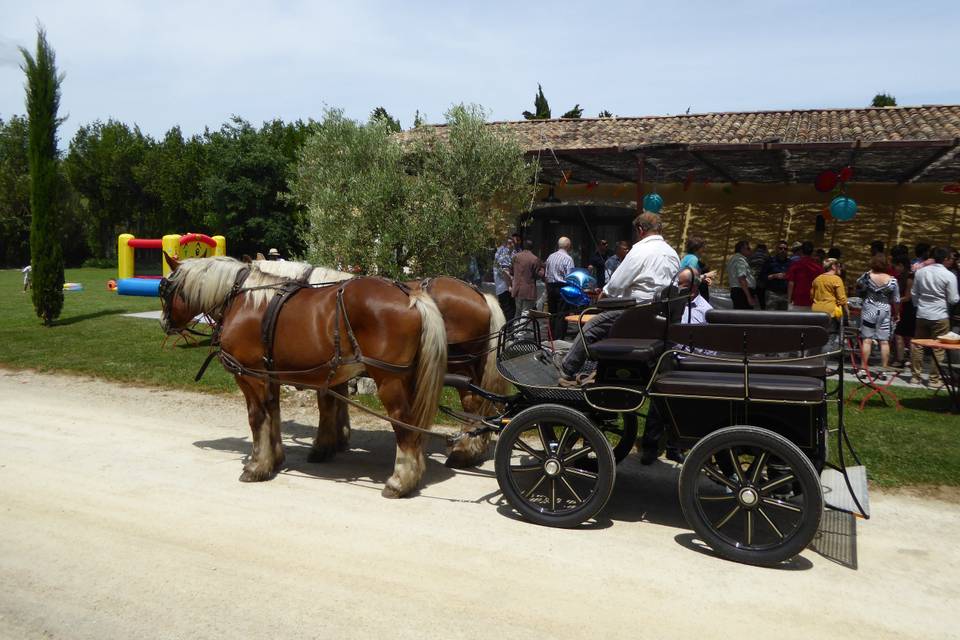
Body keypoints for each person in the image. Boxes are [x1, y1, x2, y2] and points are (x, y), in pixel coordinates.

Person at [557, 212, 679, 385]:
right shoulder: (671, 252)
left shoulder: (641, 250)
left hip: (637, 313)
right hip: (660, 315)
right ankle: (597, 369)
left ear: (640, 229)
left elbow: (615, 284)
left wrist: (602, 297)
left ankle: (567, 368)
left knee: (592, 325)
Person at [639, 267, 708, 465]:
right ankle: (650, 448)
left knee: (681, 409)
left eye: (682, 285)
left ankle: (674, 447)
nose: (677, 288)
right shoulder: (671, 304)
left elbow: (708, 345)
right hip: (668, 360)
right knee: (658, 405)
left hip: (689, 364)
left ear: (693, 287)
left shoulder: (705, 310)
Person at [910, 247, 960, 388]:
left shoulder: (921, 272)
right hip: (940, 314)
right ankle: (934, 379)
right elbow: (953, 298)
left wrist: (918, 306)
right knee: (938, 348)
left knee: (918, 345)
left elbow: (914, 293)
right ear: (945, 259)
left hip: (922, 312)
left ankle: (915, 377)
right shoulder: (949, 275)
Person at [856, 255, 900, 379]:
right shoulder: (892, 281)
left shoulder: (867, 277)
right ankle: (883, 370)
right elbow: (896, 300)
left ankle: (863, 369)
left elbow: (858, 283)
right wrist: (896, 313)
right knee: (884, 341)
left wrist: (868, 272)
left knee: (867, 340)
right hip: (885, 310)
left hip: (869, 309)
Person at [544, 236, 575, 339]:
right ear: (568, 246)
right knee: (561, 314)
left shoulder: (550, 256)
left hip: (550, 286)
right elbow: (570, 277)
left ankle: (551, 337)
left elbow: (546, 274)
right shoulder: (568, 259)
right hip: (562, 287)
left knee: (552, 313)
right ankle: (559, 339)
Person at [892, 256, 916, 369]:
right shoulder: (901, 277)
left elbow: (908, 297)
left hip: (910, 309)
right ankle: (903, 359)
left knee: (906, 335)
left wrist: (895, 299)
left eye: (896, 266)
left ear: (901, 265)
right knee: (901, 334)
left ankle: (908, 360)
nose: (895, 268)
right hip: (904, 309)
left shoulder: (909, 278)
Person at [511, 239, 542, 322]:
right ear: (532, 248)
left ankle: (516, 331)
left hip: (517, 289)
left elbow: (511, 271)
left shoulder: (516, 257)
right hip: (528, 290)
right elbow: (537, 275)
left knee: (517, 312)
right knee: (525, 312)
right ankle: (521, 333)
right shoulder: (534, 259)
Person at [786, 241, 821, 311]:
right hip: (812, 301)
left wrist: (789, 300)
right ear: (812, 252)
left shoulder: (795, 265)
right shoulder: (819, 267)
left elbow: (791, 283)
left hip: (797, 300)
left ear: (801, 251)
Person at [761, 240, 791, 311]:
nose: (783, 250)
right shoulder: (769, 261)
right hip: (772, 293)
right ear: (776, 249)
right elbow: (762, 277)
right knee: (770, 317)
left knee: (784, 318)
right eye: (780, 248)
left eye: (785, 249)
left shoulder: (790, 263)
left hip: (785, 294)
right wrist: (774, 276)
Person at [726, 240, 757, 309]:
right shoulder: (740, 260)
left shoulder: (733, 259)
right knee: (744, 317)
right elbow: (742, 278)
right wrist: (748, 297)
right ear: (742, 249)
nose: (750, 251)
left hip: (739, 291)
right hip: (742, 292)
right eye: (748, 248)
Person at [493, 236, 516, 320]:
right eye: (510, 243)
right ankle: (508, 331)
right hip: (505, 287)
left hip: (501, 286)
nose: (513, 245)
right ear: (506, 243)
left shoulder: (501, 251)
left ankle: (505, 330)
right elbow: (505, 270)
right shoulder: (504, 252)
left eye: (513, 242)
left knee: (506, 310)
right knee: (509, 310)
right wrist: (509, 285)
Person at [749, 243, 769, 309]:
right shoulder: (766, 256)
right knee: (762, 300)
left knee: (752, 300)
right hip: (762, 282)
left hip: (752, 281)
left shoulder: (751, 255)